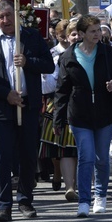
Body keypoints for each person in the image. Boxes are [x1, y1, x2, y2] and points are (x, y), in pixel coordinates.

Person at [0, 0, 54, 222]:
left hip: (28, 106)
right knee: (2, 157)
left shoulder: (31, 36)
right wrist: (6, 94)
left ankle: (25, 200)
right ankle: (3, 205)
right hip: (3, 107)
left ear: (16, 16)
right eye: (1, 17)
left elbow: (48, 65)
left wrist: (28, 61)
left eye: (8, 15)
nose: (5, 20)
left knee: (28, 155)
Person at [54, 15, 112, 217]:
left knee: (101, 158)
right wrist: (59, 120)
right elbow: (62, 90)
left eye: (98, 30)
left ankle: (100, 196)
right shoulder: (68, 57)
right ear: (82, 34)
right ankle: (84, 201)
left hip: (105, 114)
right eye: (93, 31)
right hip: (79, 115)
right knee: (86, 157)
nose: (98, 34)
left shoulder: (107, 53)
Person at [38, 19, 78, 201]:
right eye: (71, 34)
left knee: (78, 146)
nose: (75, 37)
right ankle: (60, 175)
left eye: (79, 33)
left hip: (83, 104)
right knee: (60, 145)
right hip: (60, 101)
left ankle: (77, 183)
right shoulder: (54, 55)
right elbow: (49, 84)